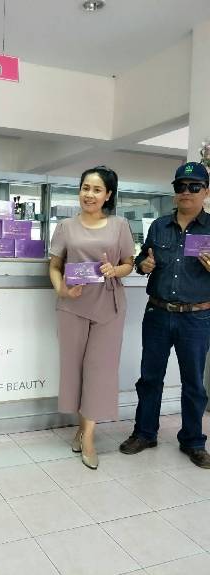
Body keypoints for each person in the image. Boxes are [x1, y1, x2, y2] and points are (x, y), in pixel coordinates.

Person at [120, 161, 210, 469]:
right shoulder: (159, 226)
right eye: (180, 186)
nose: (186, 192)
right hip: (157, 313)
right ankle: (145, 433)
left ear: (206, 191)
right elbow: (143, 257)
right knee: (150, 377)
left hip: (197, 318)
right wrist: (142, 265)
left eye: (194, 186)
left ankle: (193, 441)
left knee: (193, 383)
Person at [49, 166, 134, 469]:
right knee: (74, 371)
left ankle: (88, 437)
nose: (90, 194)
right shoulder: (65, 227)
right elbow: (54, 266)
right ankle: (81, 428)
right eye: (86, 188)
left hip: (108, 307)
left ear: (108, 195)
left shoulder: (120, 225)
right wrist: (62, 290)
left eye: (97, 190)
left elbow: (129, 264)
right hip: (72, 306)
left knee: (100, 372)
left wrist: (115, 270)